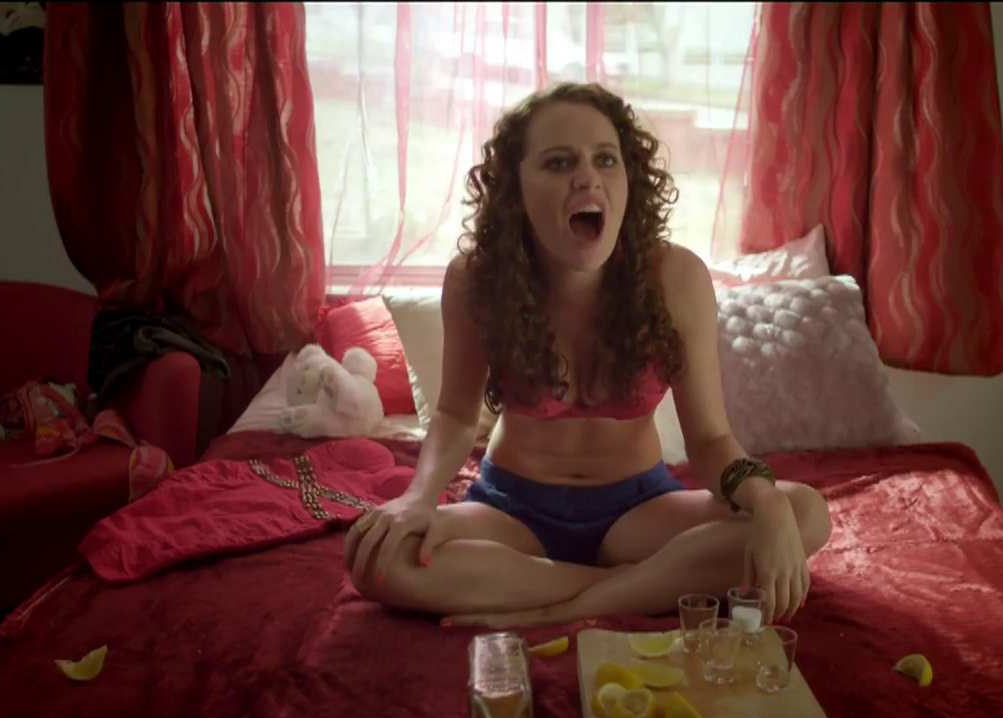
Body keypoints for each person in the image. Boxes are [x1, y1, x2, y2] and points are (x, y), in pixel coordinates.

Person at [344, 83, 831, 629]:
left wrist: (766, 503)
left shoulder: (675, 279)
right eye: (558, 163)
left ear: (628, 181)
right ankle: (642, 586)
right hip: (510, 511)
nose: (587, 178)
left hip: (640, 513)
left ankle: (555, 600)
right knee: (377, 560)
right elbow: (456, 415)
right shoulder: (476, 280)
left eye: (605, 159)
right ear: (515, 190)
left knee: (805, 514)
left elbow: (711, 439)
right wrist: (418, 498)